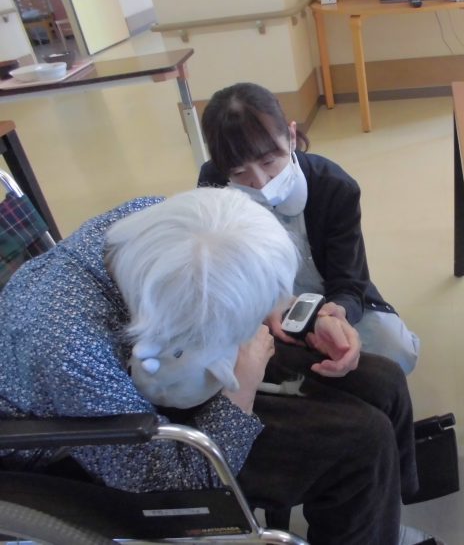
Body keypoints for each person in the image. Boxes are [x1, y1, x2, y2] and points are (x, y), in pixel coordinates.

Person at [0, 188, 436, 545]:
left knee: (380, 381)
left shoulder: (154, 220)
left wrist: (295, 313)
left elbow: (232, 270)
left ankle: (381, 520)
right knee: (360, 443)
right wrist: (240, 388)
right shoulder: (68, 346)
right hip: (92, 441)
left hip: (157, 364)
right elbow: (174, 486)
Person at [198, 82, 420, 375]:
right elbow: (220, 271)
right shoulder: (214, 183)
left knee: (396, 353)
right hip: (261, 302)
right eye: (239, 172)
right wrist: (264, 306)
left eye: (269, 161)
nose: (261, 182)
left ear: (291, 136)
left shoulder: (334, 186)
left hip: (327, 295)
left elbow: (349, 281)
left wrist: (335, 313)